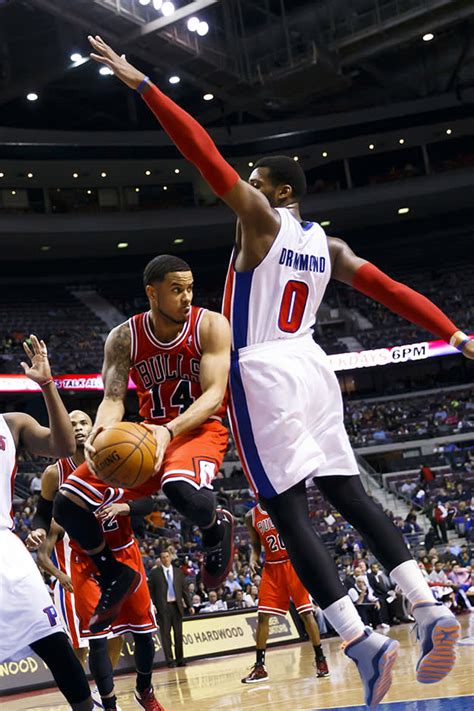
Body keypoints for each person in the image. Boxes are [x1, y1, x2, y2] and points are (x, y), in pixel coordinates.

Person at [86, 35, 472, 708]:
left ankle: (361, 639)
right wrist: (454, 332)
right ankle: (427, 604)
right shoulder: (330, 244)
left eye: (257, 181)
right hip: (313, 362)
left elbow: (203, 154)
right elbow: (388, 289)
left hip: (261, 367)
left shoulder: (260, 221)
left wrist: (142, 85)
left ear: (279, 191)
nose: (246, 187)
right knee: (350, 496)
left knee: (286, 510)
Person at [53, 255, 233, 641]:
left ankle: (216, 528)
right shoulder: (123, 336)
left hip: (199, 429)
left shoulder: (211, 325)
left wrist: (169, 430)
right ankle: (114, 573)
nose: (187, 297)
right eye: (176, 290)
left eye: (189, 288)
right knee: (68, 503)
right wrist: (103, 429)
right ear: (152, 293)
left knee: (179, 488)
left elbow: (216, 395)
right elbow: (114, 397)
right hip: (147, 436)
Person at [0, 335, 93, 711]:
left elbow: (64, 446)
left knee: (53, 638)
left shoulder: (12, 423)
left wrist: (47, 384)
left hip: (4, 547)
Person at [27, 410, 123, 669]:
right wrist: (38, 531)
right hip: (76, 569)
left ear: (94, 426)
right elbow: (42, 516)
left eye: (84, 423)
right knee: (83, 641)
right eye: (72, 425)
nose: (79, 428)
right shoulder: (54, 473)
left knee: (117, 636)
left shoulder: (113, 458)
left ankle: (104, 689)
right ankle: (87, 696)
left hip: (112, 560)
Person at [241, 502, 329, 683]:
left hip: (293, 563)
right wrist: (253, 558)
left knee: (306, 613)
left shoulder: (284, 505)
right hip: (272, 569)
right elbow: (256, 544)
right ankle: (260, 667)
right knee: (263, 616)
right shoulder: (251, 516)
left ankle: (320, 659)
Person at [149, 549, 194, 667]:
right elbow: (151, 591)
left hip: (176, 606)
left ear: (170, 558)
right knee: (165, 634)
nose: (165, 559)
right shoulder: (155, 573)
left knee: (178, 634)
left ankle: (180, 659)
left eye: (167, 557)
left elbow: (184, 590)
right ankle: (170, 660)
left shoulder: (178, 572)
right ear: (160, 559)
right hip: (163, 607)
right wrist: (152, 605)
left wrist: (190, 605)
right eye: (163, 557)